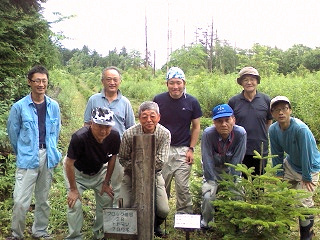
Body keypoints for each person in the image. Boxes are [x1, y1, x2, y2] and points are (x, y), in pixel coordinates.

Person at [6, 65, 62, 240]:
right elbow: (13, 134)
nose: (41, 84)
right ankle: (17, 234)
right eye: (37, 81)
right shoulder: (19, 107)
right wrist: (24, 151)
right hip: (28, 157)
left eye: (44, 81)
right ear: (29, 82)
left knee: (43, 199)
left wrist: (51, 150)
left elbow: (56, 131)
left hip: (48, 155)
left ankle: (40, 231)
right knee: (21, 201)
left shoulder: (54, 106)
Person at [64, 107, 121, 240]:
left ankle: (99, 233)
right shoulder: (79, 137)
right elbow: (69, 163)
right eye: (99, 126)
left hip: (99, 171)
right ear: (91, 123)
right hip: (77, 172)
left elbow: (113, 158)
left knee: (107, 198)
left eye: (107, 127)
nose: (103, 131)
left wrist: (106, 183)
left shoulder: (114, 136)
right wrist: (73, 189)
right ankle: (74, 236)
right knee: (74, 203)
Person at [269, 96, 320, 240]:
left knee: (302, 201)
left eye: (284, 109)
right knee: (282, 195)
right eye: (277, 110)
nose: (281, 113)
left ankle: (306, 235)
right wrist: (278, 173)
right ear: (272, 114)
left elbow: (306, 153)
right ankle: (282, 228)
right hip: (291, 164)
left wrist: (307, 176)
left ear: (290, 110)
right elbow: (276, 152)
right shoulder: (273, 129)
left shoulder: (300, 129)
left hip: (310, 167)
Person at [83, 66, 135, 208]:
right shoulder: (94, 100)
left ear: (120, 81)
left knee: (117, 185)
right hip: (97, 150)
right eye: (108, 79)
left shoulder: (125, 103)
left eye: (115, 79)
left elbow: (131, 128)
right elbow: (87, 124)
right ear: (102, 81)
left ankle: (115, 218)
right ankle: (102, 217)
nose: (112, 82)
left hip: (119, 151)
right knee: (101, 185)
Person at [153, 67, 202, 214]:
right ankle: (159, 219)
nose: (175, 86)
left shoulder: (192, 102)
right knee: (161, 185)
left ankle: (184, 219)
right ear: (167, 83)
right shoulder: (158, 100)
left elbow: (196, 126)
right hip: (162, 149)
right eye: (172, 82)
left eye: (179, 83)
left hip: (183, 149)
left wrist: (191, 149)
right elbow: (152, 124)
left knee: (183, 187)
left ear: (184, 83)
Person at [119, 101, 171, 237]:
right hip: (131, 174)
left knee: (163, 209)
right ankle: (129, 229)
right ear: (139, 118)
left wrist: (138, 161)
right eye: (144, 116)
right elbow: (123, 159)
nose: (149, 120)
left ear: (158, 117)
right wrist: (139, 166)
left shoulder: (164, 134)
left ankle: (155, 225)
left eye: (152, 116)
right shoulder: (129, 134)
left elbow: (161, 161)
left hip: (155, 174)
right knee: (124, 205)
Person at [200, 104, 246, 229]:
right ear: (214, 122)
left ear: (233, 120)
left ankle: (239, 224)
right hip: (212, 170)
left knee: (238, 194)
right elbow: (207, 158)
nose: (224, 124)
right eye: (219, 121)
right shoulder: (208, 134)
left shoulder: (240, 133)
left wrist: (233, 180)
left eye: (227, 120)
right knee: (208, 196)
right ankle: (207, 223)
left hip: (232, 170)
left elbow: (238, 159)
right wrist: (211, 180)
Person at [228, 66, 272, 175]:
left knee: (258, 184)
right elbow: (229, 123)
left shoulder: (266, 100)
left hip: (260, 148)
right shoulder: (234, 101)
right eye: (245, 80)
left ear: (257, 81)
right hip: (239, 147)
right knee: (239, 181)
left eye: (252, 79)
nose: (249, 82)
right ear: (241, 83)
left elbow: (269, 121)